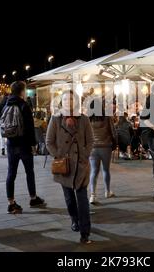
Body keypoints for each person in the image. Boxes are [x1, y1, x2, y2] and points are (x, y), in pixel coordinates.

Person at [46, 90, 94, 244]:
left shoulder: (84, 119)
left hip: (80, 165)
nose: (69, 102)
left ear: (77, 102)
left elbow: (91, 140)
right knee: (69, 199)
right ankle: (74, 219)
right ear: (62, 101)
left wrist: (85, 155)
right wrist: (58, 156)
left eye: (72, 99)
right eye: (66, 99)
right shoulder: (55, 119)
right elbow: (49, 141)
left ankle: (85, 232)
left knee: (82, 200)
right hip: (64, 166)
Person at [4, 81, 45, 214]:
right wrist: (33, 145)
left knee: (11, 173)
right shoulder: (24, 105)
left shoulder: (6, 103)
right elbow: (29, 127)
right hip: (24, 145)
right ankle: (33, 198)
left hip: (10, 144)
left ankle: (11, 203)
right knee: (29, 172)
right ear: (22, 91)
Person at [88, 98, 118, 204]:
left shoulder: (88, 119)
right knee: (106, 170)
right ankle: (107, 191)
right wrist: (115, 144)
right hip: (106, 147)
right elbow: (113, 133)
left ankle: (93, 195)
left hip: (92, 148)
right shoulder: (107, 118)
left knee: (94, 171)